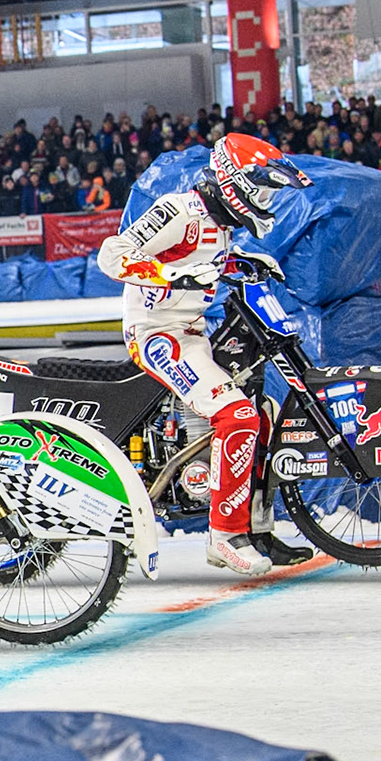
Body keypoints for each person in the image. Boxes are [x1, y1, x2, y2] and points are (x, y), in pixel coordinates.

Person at [97, 133, 314, 576]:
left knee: (263, 413)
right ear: (236, 182)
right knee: (239, 417)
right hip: (158, 334)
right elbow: (112, 255)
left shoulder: (222, 224)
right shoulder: (179, 211)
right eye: (264, 191)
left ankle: (255, 529)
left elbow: (204, 263)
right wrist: (171, 274)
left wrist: (242, 264)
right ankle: (224, 536)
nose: (268, 202)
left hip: (193, 332)